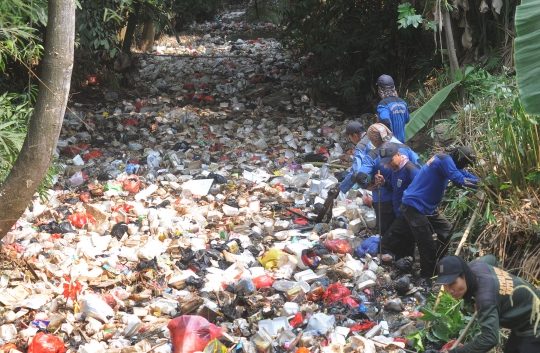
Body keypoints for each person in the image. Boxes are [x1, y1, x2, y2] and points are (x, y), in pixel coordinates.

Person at [432, 255, 540, 353]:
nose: (449, 290)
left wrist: (455, 352)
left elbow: (489, 339)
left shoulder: (486, 299)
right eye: (445, 285)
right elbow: (492, 259)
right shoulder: (476, 266)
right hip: (523, 320)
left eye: (452, 283)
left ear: (465, 275)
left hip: (534, 325)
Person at [400, 147, 479, 280]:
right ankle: (426, 279)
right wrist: (481, 184)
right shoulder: (444, 159)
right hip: (414, 206)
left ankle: (436, 265)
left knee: (447, 231)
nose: (465, 166)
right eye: (465, 163)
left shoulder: (446, 158)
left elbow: (462, 173)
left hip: (425, 208)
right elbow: (459, 179)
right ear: (460, 159)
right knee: (427, 245)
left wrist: (482, 181)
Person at [355, 124, 421, 236]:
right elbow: (420, 166)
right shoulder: (405, 148)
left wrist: (365, 185)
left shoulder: (373, 154)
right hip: (407, 200)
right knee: (407, 233)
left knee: (387, 235)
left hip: (384, 201)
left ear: (373, 140)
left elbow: (360, 176)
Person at [374, 142, 420, 260]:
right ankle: (406, 268)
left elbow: (422, 189)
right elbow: (396, 189)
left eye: (391, 161)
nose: (389, 165)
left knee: (384, 245)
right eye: (387, 163)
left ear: (399, 154)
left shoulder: (410, 169)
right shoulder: (396, 170)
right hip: (399, 213)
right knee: (404, 246)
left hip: (406, 215)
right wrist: (384, 182)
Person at [337, 122, 370, 194]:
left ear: (355, 135)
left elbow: (356, 172)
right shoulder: (372, 137)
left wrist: (341, 189)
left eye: (349, 137)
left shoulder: (360, 146)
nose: (350, 140)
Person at [376, 74, 410, 143]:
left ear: (380, 89)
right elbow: (407, 119)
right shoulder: (403, 102)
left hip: (391, 146)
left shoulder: (383, 104)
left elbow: (386, 121)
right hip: (402, 144)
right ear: (393, 88)